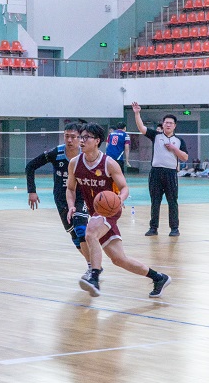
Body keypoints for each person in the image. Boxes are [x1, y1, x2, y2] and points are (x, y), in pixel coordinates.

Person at [66, 123, 171, 298]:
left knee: (90, 233)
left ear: (97, 141)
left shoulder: (109, 163)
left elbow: (124, 188)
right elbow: (70, 189)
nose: (81, 141)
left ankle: (94, 277)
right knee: (119, 259)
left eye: (86, 137)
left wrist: (119, 200)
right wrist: (71, 206)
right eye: (80, 137)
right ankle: (159, 278)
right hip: (95, 211)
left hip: (110, 210)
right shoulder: (74, 163)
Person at [26, 123, 91, 275]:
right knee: (74, 234)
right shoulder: (56, 153)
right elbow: (30, 166)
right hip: (62, 198)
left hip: (81, 196)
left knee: (81, 228)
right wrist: (32, 191)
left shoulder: (86, 154)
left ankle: (93, 268)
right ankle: (93, 266)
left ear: (80, 138)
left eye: (73, 137)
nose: (69, 140)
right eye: (67, 136)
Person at [132, 102, 188, 237]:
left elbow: (185, 157)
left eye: (171, 123)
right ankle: (153, 228)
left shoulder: (179, 141)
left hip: (171, 173)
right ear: (163, 124)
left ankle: (174, 228)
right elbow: (141, 128)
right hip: (156, 172)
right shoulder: (156, 136)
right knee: (155, 201)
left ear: (174, 125)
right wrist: (137, 113)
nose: (168, 125)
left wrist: (174, 149)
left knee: (172, 201)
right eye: (166, 122)